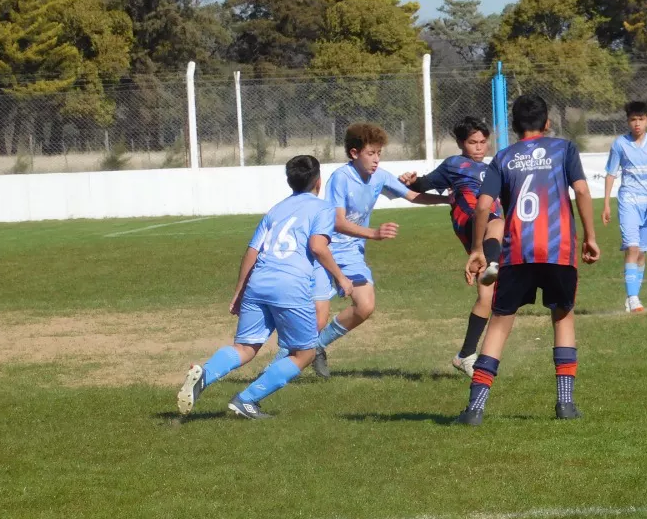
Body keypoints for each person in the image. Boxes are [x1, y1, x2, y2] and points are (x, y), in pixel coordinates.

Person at [456, 94, 600, 425]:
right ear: (547, 123)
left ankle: (475, 410)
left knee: (500, 323)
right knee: (562, 318)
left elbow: (482, 206)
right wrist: (590, 238)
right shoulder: (564, 150)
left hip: (517, 252)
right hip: (558, 249)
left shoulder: (503, 157)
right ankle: (565, 404)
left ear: (514, 126)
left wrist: (477, 249)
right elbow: (581, 191)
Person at [178, 155, 352, 419]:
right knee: (304, 353)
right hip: (290, 284)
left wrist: (239, 292)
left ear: (289, 181)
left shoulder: (275, 210)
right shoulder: (323, 209)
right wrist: (340, 277)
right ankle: (247, 400)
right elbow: (318, 246)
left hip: (258, 282)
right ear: (319, 181)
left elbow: (252, 251)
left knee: (246, 347)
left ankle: (205, 373)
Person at [306, 122, 448, 375]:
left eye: (379, 153)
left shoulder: (379, 177)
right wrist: (373, 233)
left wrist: (449, 200)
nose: (376, 160)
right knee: (316, 319)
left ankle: (316, 347)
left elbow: (413, 195)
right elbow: (336, 222)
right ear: (354, 153)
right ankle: (280, 367)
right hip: (326, 250)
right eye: (371, 153)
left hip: (352, 254)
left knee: (365, 306)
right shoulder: (341, 178)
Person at [400, 116, 504, 377]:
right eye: (472, 142)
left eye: (483, 142)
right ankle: (491, 262)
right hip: (468, 219)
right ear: (460, 143)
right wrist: (412, 181)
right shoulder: (455, 164)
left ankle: (466, 354)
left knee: (487, 296)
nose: (479, 147)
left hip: (490, 232)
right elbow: (424, 183)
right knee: (498, 223)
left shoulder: (495, 167)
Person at [602, 100, 647, 314]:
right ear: (628, 121)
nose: (637, 124)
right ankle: (633, 298)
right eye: (633, 119)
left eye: (641, 119)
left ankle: (633, 295)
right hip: (628, 201)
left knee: (641, 252)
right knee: (632, 248)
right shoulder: (620, 144)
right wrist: (606, 203)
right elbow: (611, 173)